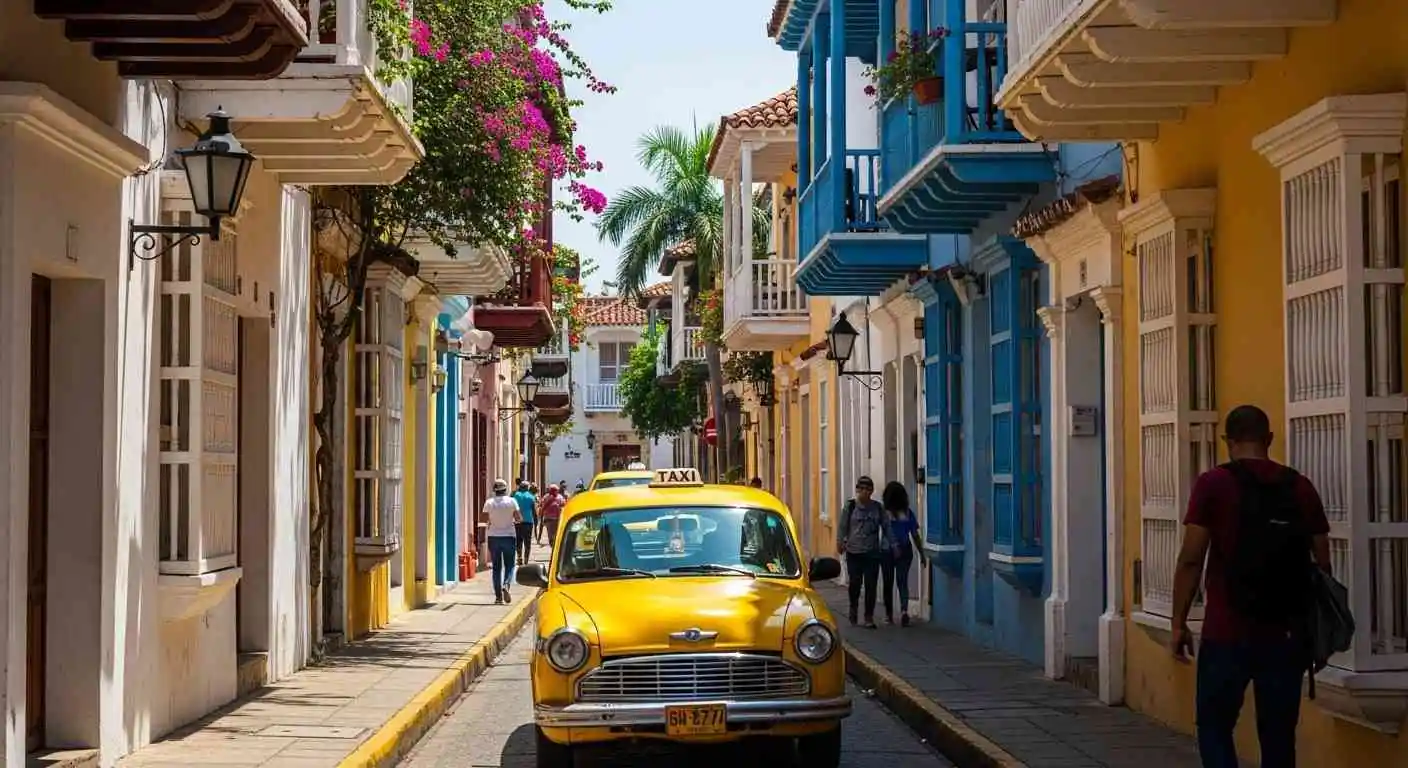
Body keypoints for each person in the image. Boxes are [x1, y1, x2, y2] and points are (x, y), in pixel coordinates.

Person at [1170, 405, 1331, 768]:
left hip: (1226, 631)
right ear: (1269, 439)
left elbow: (1191, 558)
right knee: (1278, 737)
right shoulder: (1300, 486)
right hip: (1285, 634)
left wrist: (1178, 621)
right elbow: (1322, 561)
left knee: (1214, 726)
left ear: (1227, 441)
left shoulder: (1213, 483)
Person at [836, 475, 889, 629]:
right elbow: (842, 526)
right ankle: (853, 609)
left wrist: (892, 544)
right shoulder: (850, 506)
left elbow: (886, 527)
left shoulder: (878, 508)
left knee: (871, 585)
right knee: (855, 584)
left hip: (872, 553)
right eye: (862, 489)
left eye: (868, 489)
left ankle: (869, 617)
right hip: (854, 552)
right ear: (857, 490)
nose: (865, 492)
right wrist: (840, 542)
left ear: (872, 491)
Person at [879, 481, 925, 627]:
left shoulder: (884, 514)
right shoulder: (907, 513)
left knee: (888, 583)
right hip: (905, 550)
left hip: (887, 551)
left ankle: (888, 615)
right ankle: (904, 610)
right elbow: (915, 534)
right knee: (902, 581)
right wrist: (921, 553)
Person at [482, 478, 522, 605]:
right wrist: (513, 521)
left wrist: (492, 521)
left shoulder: (489, 502)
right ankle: (506, 585)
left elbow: (483, 519)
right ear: (505, 489)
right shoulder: (512, 501)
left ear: (494, 490)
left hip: (493, 537)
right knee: (510, 565)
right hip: (509, 536)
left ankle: (498, 597)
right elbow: (518, 518)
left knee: (496, 567)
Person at [511, 481, 536, 565]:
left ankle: (519, 557)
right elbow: (534, 511)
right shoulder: (531, 496)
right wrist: (536, 523)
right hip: (528, 522)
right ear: (527, 487)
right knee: (527, 542)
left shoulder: (515, 495)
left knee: (518, 541)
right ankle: (526, 560)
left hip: (518, 521)